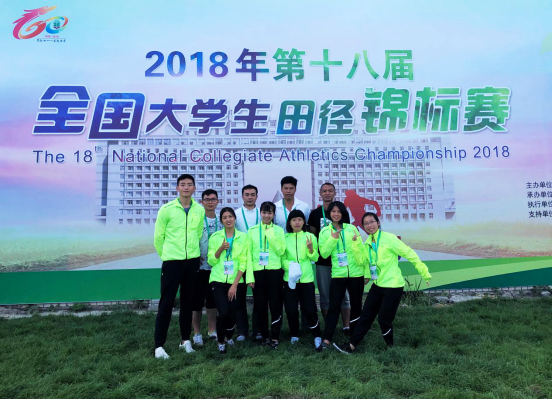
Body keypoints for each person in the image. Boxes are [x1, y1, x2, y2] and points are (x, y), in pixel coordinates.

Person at [334, 212, 432, 354]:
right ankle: (352, 345)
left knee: (384, 319)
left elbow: (409, 253)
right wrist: (355, 244)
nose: (369, 225)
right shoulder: (367, 243)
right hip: (378, 285)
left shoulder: (389, 238)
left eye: (372, 222)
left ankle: (390, 346)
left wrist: (424, 273)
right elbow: (362, 261)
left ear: (378, 223)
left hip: (393, 286)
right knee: (366, 315)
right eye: (366, 224)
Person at [153, 174, 205, 359]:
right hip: (172, 262)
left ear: (194, 188)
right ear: (177, 188)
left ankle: (185, 340)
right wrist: (167, 256)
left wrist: (192, 254)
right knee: (166, 303)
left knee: (187, 303)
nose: (186, 187)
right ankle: (159, 345)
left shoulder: (199, 209)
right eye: (182, 184)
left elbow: (198, 234)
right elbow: (158, 238)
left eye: (189, 184)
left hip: (192, 262)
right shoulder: (166, 209)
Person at [318, 201, 366, 351]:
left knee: (356, 306)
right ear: (329, 213)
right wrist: (333, 238)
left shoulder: (352, 228)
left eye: (339, 211)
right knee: (334, 306)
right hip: (338, 275)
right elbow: (324, 254)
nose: (336, 214)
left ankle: (354, 338)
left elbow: (361, 251)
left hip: (356, 273)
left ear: (343, 213)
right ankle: (327, 339)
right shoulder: (325, 232)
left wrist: (365, 271)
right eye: (333, 211)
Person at [207, 208, 254, 354]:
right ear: (221, 220)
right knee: (224, 312)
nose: (228, 219)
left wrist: (235, 284)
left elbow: (243, 262)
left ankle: (228, 337)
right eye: (225, 217)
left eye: (230, 216)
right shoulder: (215, 237)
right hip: (218, 280)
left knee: (233, 313)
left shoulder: (243, 237)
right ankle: (221, 341)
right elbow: (211, 261)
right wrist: (221, 248)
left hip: (236, 281)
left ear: (234, 218)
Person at [307, 183, 351, 335]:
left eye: (330, 191)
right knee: (325, 295)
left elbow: (347, 234)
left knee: (344, 295)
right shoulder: (315, 214)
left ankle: (346, 326)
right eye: (324, 191)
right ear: (320, 193)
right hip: (323, 260)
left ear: (334, 193)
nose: (327, 193)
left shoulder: (342, 212)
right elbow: (313, 235)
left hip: (340, 260)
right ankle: (329, 326)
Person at [247, 201, 286, 349]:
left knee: (276, 304)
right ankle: (263, 335)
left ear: (274, 214)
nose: (267, 216)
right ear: (260, 213)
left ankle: (275, 336)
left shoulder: (279, 231)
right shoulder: (252, 231)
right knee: (260, 305)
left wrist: (271, 235)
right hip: (258, 272)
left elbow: (281, 251)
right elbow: (249, 255)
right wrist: (249, 277)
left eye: (270, 213)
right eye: (264, 212)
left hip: (274, 271)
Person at [282, 210, 322, 349]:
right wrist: (291, 265)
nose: (297, 223)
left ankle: (317, 335)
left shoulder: (310, 236)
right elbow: (282, 259)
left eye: (299, 219)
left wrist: (310, 249)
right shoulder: (285, 238)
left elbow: (315, 258)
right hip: (290, 280)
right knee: (291, 309)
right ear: (290, 223)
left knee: (310, 309)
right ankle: (294, 334)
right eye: (294, 220)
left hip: (306, 279)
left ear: (304, 221)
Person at [191, 189, 219, 346]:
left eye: (213, 199)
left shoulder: (222, 220)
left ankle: (212, 330)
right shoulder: (197, 220)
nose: (210, 202)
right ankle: (196, 333)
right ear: (202, 202)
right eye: (207, 199)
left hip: (216, 268)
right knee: (196, 302)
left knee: (212, 301)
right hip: (199, 267)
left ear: (217, 201)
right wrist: (195, 256)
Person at [234, 184, 261, 340]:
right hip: (240, 260)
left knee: (259, 298)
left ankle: (257, 330)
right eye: (247, 194)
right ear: (242, 196)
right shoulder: (236, 214)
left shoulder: (262, 213)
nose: (250, 197)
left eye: (252, 194)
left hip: (258, 261)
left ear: (257, 196)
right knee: (239, 297)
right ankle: (242, 331)